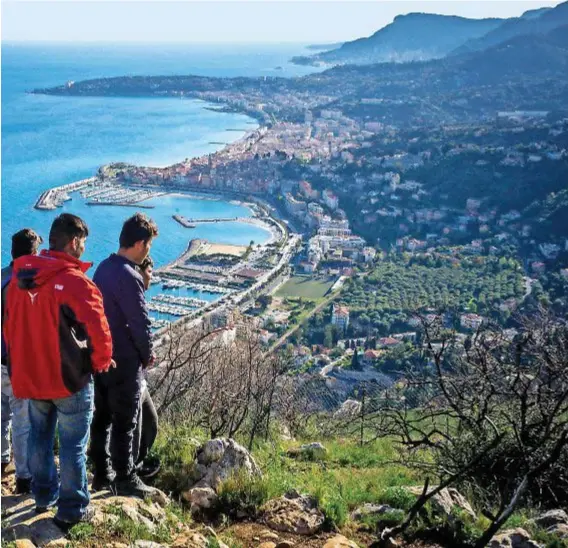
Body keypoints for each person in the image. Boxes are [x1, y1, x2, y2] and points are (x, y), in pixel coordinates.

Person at [3, 214, 113, 529]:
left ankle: (42, 496)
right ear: (74, 242)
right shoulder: (76, 283)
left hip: (32, 376)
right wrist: (100, 362)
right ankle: (72, 508)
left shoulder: (18, 281)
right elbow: (99, 331)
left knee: (38, 438)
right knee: (72, 444)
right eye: (83, 243)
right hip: (69, 380)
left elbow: (9, 330)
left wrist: (20, 366)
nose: (83, 248)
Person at [90, 213, 158, 497]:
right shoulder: (130, 276)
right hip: (126, 360)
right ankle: (125, 477)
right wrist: (147, 354)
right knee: (126, 421)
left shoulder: (103, 268)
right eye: (149, 245)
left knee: (103, 417)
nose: (148, 251)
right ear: (141, 243)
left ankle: (102, 473)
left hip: (103, 357)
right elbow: (139, 322)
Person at [1, 229, 43, 494]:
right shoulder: (27, 284)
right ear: (33, 254)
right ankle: (25, 476)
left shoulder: (2, 276)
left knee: (2, 413)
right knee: (22, 418)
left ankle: (3, 458)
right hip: (16, 362)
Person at [133, 256, 160, 480]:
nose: (151, 276)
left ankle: (137, 467)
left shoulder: (138, 297)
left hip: (139, 377)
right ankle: (131, 474)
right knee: (137, 429)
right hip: (132, 376)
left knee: (150, 424)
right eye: (149, 272)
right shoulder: (133, 297)